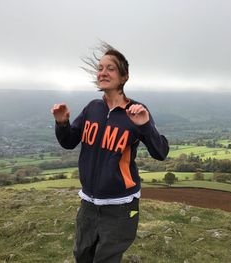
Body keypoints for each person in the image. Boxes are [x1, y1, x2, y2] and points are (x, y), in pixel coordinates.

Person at [51, 43, 169, 263]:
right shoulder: (92, 108)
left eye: (110, 68)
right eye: (100, 68)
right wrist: (62, 123)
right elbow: (69, 142)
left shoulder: (136, 111)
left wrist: (145, 125)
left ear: (124, 76)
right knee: (82, 256)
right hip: (88, 203)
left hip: (121, 206)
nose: (103, 73)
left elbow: (160, 152)